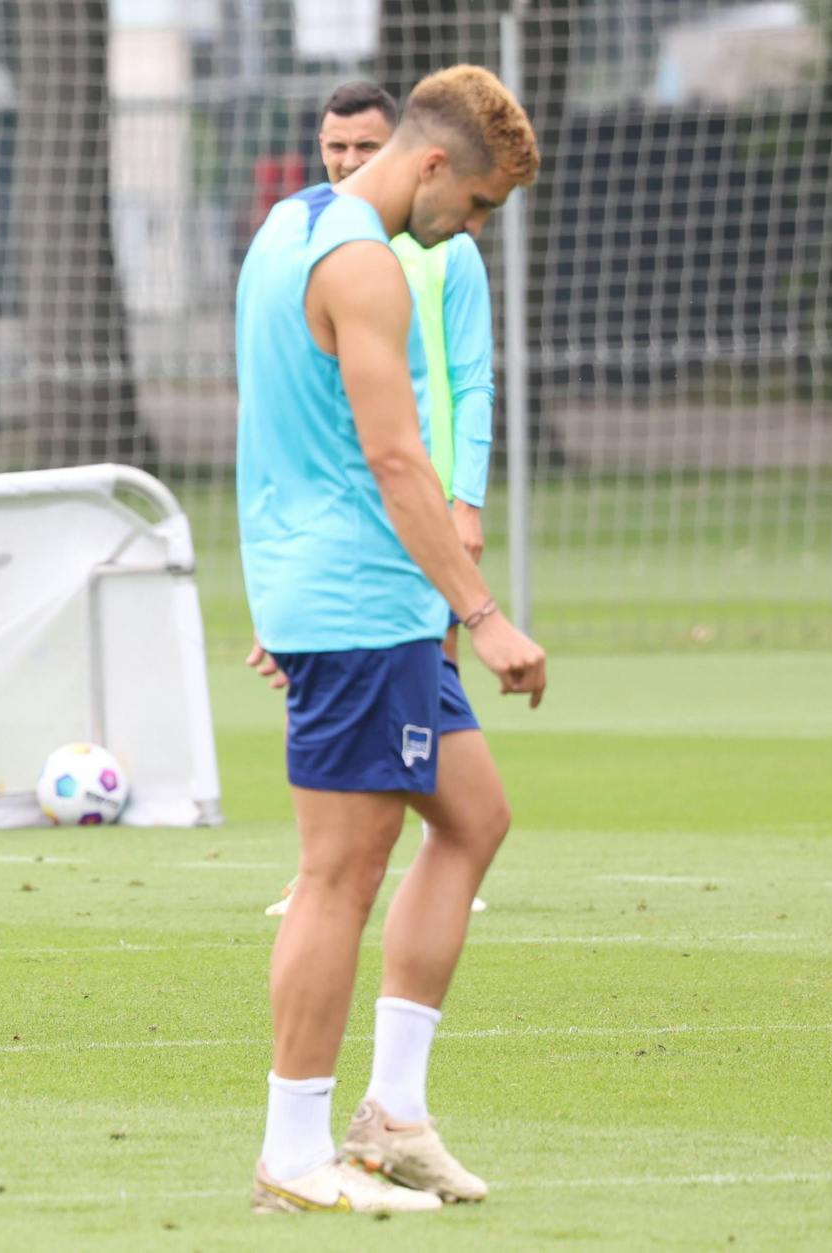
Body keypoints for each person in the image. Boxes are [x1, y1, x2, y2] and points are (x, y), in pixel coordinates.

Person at [234, 66, 545, 1214]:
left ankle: (393, 1114)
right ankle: (291, 1149)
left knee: (472, 819)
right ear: (427, 166)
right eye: (471, 205)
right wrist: (484, 612)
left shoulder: (285, 226)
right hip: (364, 605)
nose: (465, 229)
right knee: (335, 876)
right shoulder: (362, 264)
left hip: (349, 597)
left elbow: (267, 420)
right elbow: (395, 459)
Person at [263, 81, 494, 917]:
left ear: (400, 147)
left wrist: (463, 496)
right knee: (343, 858)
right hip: (355, 529)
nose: (349, 160)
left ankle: (423, 860)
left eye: (365, 146)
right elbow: (285, 419)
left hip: (413, 509)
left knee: (463, 769)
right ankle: (327, 865)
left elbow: (470, 378)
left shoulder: (444, 247)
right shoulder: (311, 239)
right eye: (336, 147)